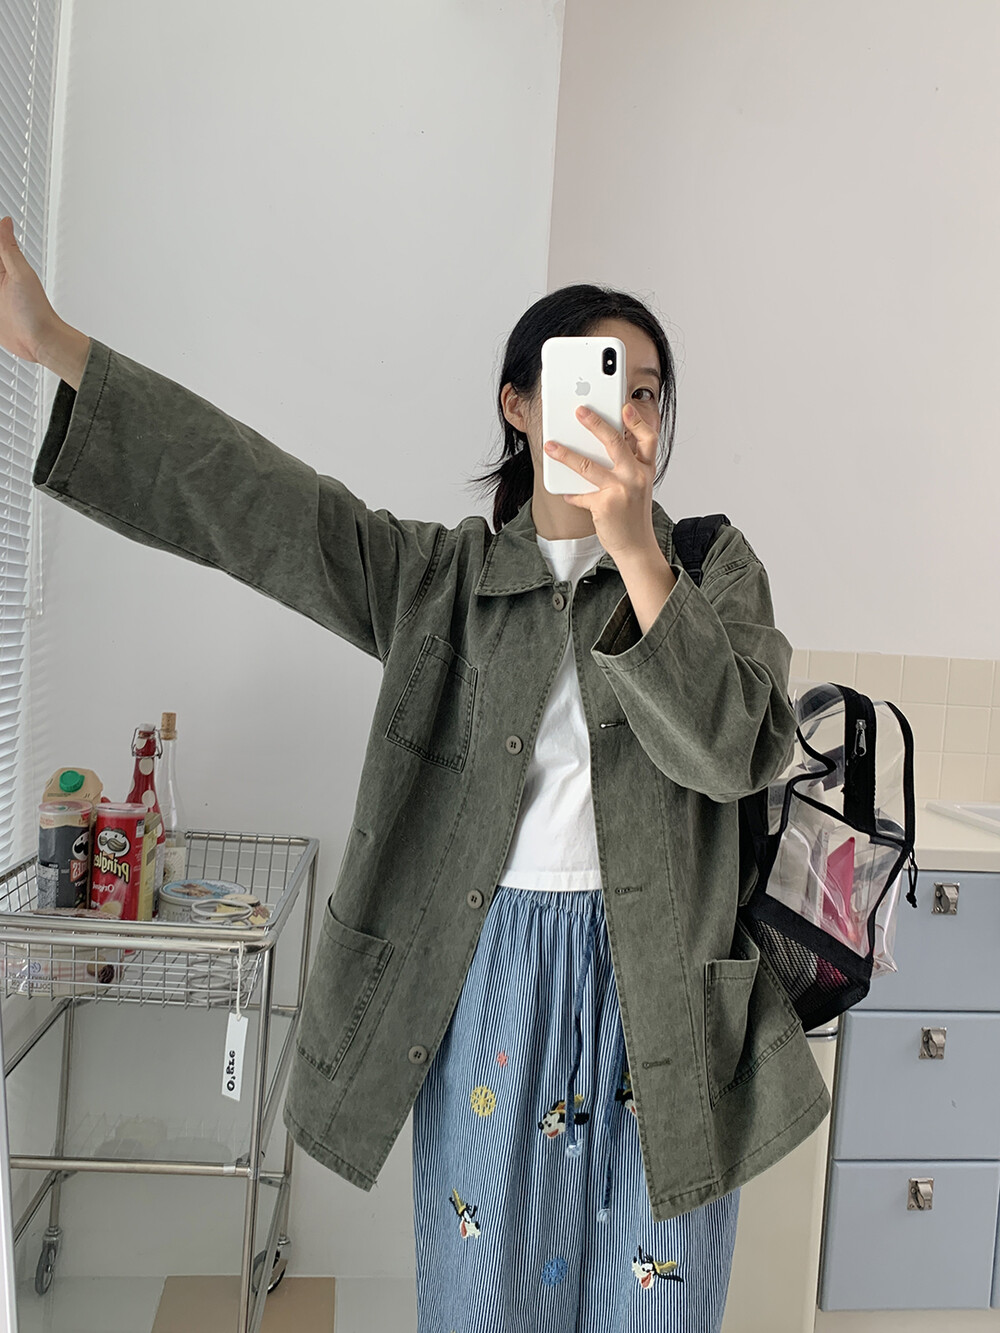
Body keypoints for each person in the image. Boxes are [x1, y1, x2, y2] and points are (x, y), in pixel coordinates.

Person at [0, 214, 830, 1333]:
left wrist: (637, 549)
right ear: (519, 403)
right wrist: (53, 342)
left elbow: (736, 750)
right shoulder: (438, 581)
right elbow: (257, 500)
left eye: (645, 392)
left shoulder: (711, 569)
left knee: (655, 1311)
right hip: (493, 980)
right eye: (595, 378)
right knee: (486, 1308)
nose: (624, 408)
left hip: (668, 1002)